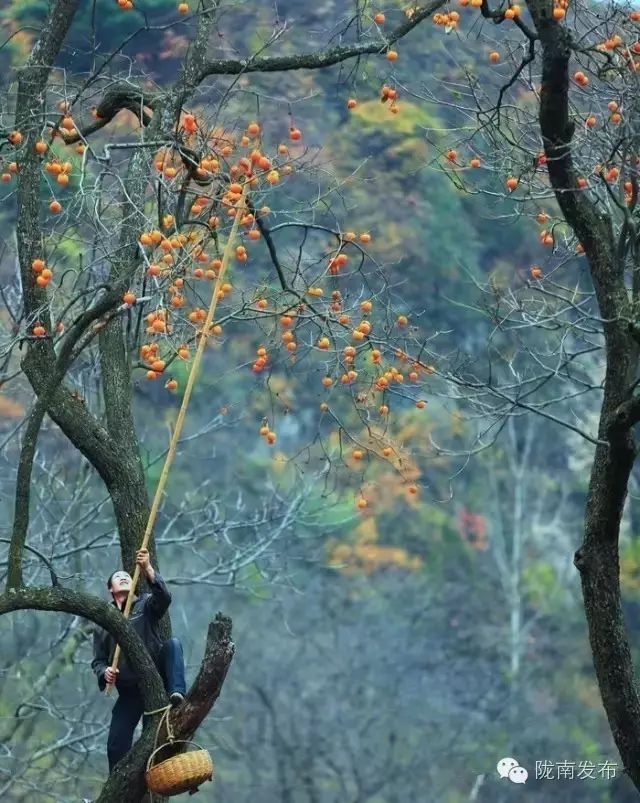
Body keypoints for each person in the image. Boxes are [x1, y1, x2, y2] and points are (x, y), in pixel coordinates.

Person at [91, 548, 187, 771]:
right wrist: (104, 672)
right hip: (129, 690)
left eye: (126, 575)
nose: (123, 576)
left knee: (173, 644)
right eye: (117, 577)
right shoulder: (102, 621)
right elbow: (98, 661)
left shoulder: (145, 604)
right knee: (116, 745)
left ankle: (177, 693)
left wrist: (148, 569)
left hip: (154, 676)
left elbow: (164, 598)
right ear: (110, 590)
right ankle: (118, 789)